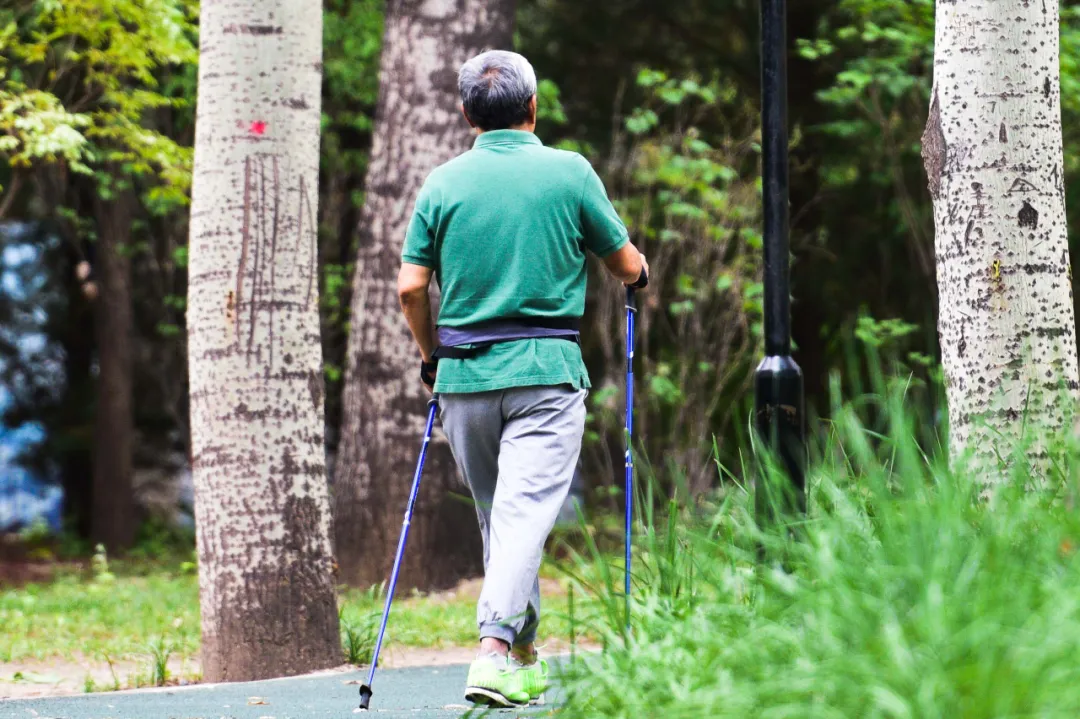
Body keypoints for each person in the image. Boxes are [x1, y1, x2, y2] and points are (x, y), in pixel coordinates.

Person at [396, 49, 648, 707]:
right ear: (532, 106)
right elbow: (624, 261)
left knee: (503, 518)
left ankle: (524, 654)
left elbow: (410, 287)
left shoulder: (443, 182)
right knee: (521, 514)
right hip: (545, 373)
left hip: (465, 379)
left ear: (465, 114)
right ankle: (492, 649)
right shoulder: (569, 172)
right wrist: (639, 273)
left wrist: (432, 355)